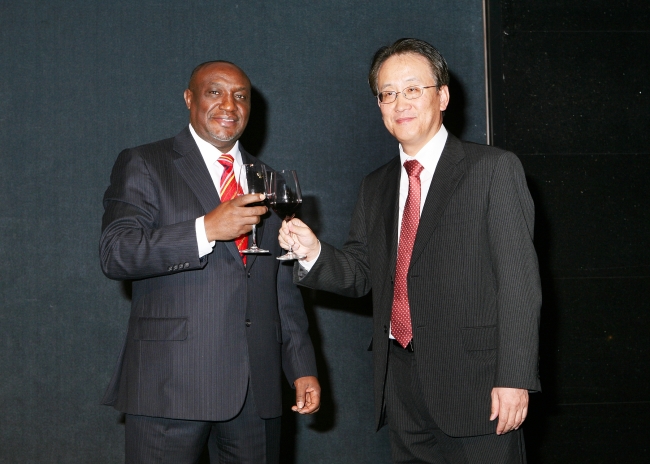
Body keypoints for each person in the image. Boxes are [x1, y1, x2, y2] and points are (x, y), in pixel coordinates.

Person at [279, 39, 541, 463]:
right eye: (388, 93)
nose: (400, 102)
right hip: (400, 386)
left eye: (413, 89)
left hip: (479, 389)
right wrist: (313, 253)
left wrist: (514, 378)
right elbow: (362, 273)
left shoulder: (492, 169)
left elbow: (519, 285)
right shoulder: (376, 185)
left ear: (443, 95)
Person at [100, 60, 320, 464]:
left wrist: (301, 364)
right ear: (189, 99)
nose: (229, 105)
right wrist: (204, 229)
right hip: (170, 383)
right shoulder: (145, 163)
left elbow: (281, 284)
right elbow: (116, 253)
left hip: (257, 387)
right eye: (214, 92)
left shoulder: (270, 181)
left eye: (240, 96)